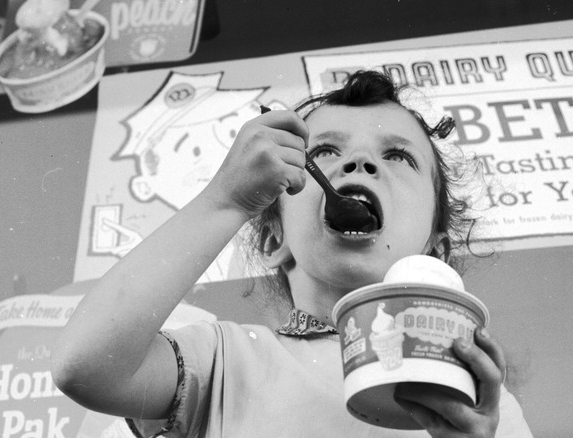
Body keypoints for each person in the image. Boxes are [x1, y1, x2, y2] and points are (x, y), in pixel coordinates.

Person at [52, 70, 533, 437]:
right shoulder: (222, 361)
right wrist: (226, 199)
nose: (359, 162)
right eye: (323, 152)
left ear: (436, 250)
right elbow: (85, 366)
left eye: (398, 156)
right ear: (271, 238)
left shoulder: (478, 400)